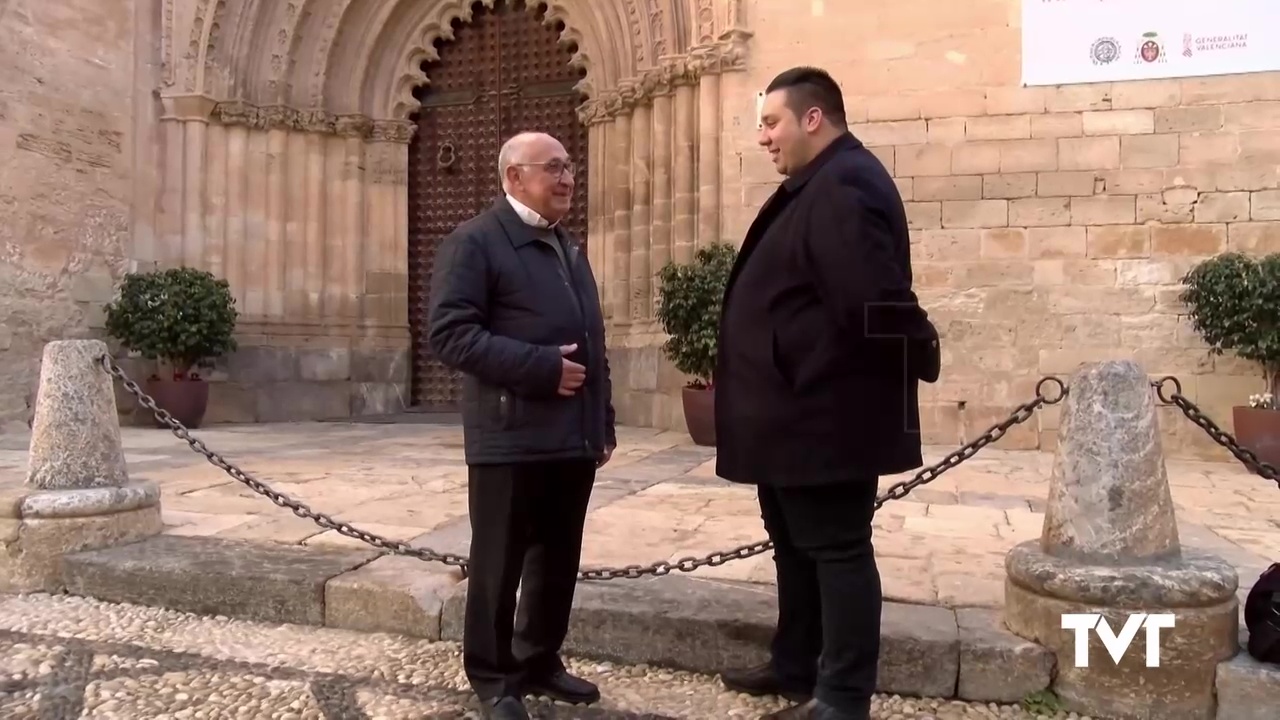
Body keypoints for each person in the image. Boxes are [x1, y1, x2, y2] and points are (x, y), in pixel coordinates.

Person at [713, 67, 941, 720]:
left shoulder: (845, 183)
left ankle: (841, 698)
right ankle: (795, 665)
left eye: (771, 122)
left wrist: (918, 349)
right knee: (793, 545)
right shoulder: (818, 183)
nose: (764, 138)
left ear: (814, 118)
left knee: (837, 550)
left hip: (825, 413)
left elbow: (872, 300)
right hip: (790, 413)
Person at [427, 131, 617, 720]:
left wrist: (601, 420)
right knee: (499, 560)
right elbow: (450, 333)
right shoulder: (475, 242)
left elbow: (592, 340)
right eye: (553, 168)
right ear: (514, 177)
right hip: (508, 435)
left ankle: (538, 660)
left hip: (571, 436)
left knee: (557, 556)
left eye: (569, 167)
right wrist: (538, 368)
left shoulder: (567, 245)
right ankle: (492, 677)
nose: (567, 178)